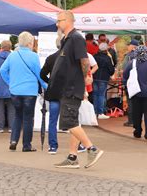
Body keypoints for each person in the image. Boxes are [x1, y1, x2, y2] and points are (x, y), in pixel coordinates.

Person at [51, 11, 104, 169]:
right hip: (69, 86)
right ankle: (73, 156)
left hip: (73, 87)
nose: (57, 24)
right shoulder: (67, 39)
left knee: (69, 121)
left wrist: (85, 77)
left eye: (59, 21)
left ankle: (91, 148)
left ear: (67, 21)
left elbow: (84, 61)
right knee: (73, 121)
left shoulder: (76, 38)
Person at [0, 32, 47, 152]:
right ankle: (26, 145)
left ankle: (13, 141)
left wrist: (10, 82)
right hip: (30, 92)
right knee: (28, 118)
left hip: (15, 90)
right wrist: (46, 86)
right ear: (30, 43)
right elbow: (39, 74)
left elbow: (2, 70)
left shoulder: (12, 55)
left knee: (17, 116)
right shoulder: (34, 56)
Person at [122, 45, 147, 140]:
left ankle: (137, 132)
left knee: (136, 113)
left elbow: (125, 75)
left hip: (136, 93)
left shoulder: (132, 63)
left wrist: (127, 85)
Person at [40, 38, 62, 154]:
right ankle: (78, 145)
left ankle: (53, 146)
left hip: (53, 92)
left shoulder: (50, 58)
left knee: (53, 120)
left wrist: (50, 82)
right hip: (67, 92)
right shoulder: (71, 58)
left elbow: (42, 74)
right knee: (72, 120)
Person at [92, 43, 115, 119]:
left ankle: (95, 112)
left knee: (95, 95)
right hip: (103, 78)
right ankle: (100, 112)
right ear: (106, 49)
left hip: (94, 77)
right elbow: (111, 70)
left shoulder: (94, 56)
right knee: (101, 95)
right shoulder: (107, 58)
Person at [122, 39, 139, 127]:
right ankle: (137, 120)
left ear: (133, 47)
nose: (127, 47)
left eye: (129, 45)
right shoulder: (141, 56)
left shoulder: (128, 56)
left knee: (130, 101)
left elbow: (124, 69)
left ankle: (131, 121)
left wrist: (124, 81)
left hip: (130, 81)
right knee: (137, 102)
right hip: (138, 82)